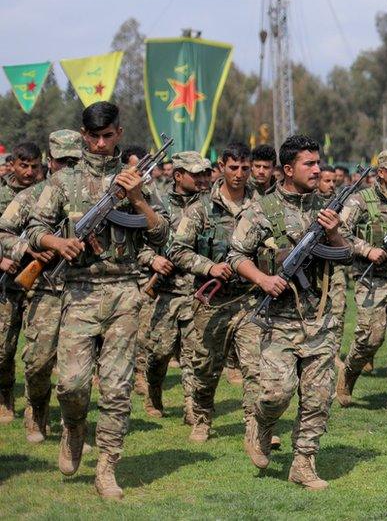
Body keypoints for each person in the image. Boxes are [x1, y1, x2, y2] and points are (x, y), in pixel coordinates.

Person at [27, 101, 170, 499]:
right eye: (94, 136)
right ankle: (73, 428)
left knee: (117, 387)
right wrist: (59, 241)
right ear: (83, 135)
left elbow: (161, 236)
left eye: (109, 136)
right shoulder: (64, 182)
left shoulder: (138, 179)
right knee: (71, 385)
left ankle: (107, 467)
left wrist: (138, 199)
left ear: (119, 134)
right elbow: (36, 226)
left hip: (126, 290)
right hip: (79, 291)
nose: (102, 143)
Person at [229, 134, 350, 489]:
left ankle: (303, 463)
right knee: (277, 393)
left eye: (318, 163)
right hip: (277, 320)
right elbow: (235, 256)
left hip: (320, 319)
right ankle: (261, 423)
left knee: (317, 398)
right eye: (309, 164)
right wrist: (264, 280)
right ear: (287, 169)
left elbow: (345, 255)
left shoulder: (326, 209)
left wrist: (335, 234)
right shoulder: (259, 210)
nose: (317, 169)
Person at [169, 144, 257, 443]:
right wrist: (208, 267)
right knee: (205, 367)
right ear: (222, 167)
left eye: (246, 168)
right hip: (212, 301)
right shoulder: (201, 208)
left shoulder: (261, 206)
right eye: (234, 168)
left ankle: (256, 426)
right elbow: (177, 250)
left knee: (255, 366)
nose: (240, 174)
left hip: (251, 300)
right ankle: (203, 417)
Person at [0, 130, 80, 440]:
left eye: (75, 161)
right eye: (63, 162)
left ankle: (70, 430)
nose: (70, 168)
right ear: (52, 162)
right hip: (43, 288)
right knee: (37, 362)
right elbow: (3, 233)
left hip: (80, 289)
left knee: (75, 369)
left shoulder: (94, 195)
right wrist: (29, 250)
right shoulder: (30, 196)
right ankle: (35, 409)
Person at [336, 149, 387, 416]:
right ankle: (348, 373)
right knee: (370, 337)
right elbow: (338, 231)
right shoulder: (361, 200)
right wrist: (365, 249)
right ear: (380, 173)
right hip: (372, 278)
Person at [138, 151, 211, 420]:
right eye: (197, 174)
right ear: (178, 176)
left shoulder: (213, 205)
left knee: (195, 354)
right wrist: (153, 259)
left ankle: (192, 407)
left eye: (206, 173)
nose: (203, 179)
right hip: (164, 292)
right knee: (158, 353)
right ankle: (153, 393)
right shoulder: (156, 204)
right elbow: (138, 246)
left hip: (198, 290)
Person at [0, 141, 42, 421]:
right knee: (4, 349)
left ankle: (34, 406)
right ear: (12, 164)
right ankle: (5, 398)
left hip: (41, 282)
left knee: (38, 352)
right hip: (7, 281)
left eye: (34, 166)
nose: (28, 172)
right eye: (23, 165)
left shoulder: (46, 193)